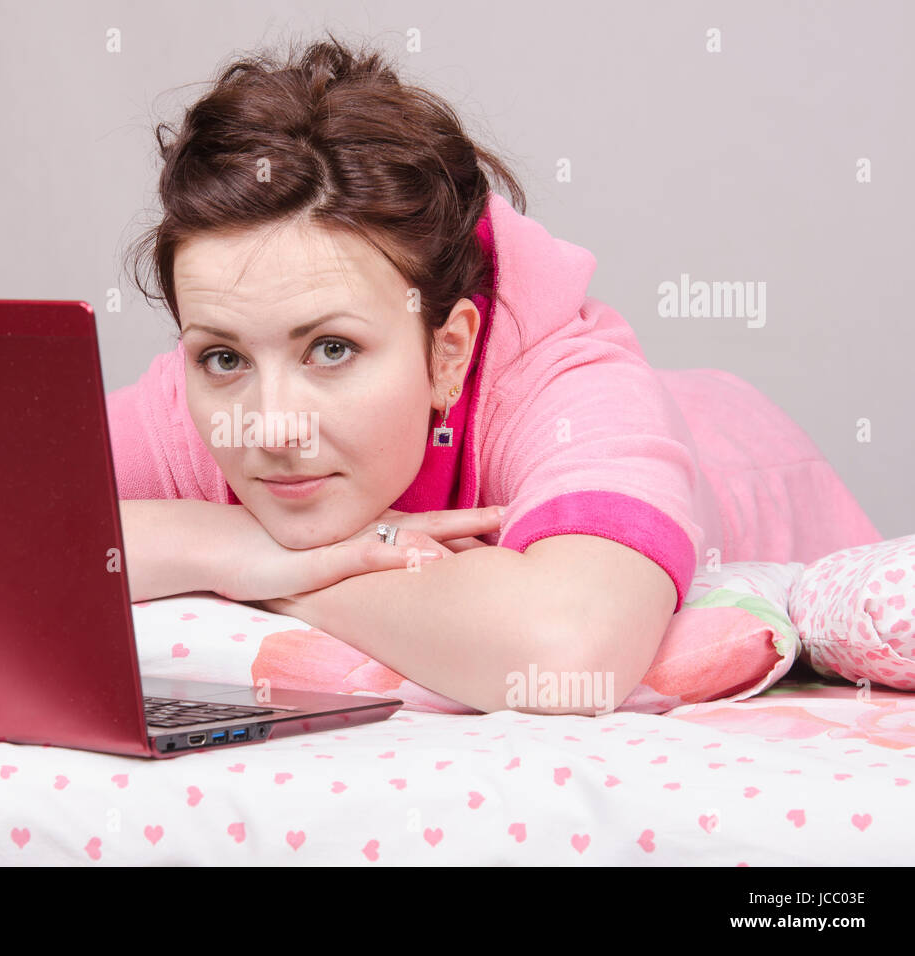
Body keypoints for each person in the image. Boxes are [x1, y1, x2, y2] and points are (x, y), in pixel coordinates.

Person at [104, 35, 882, 714]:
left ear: (449, 351)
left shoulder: (568, 386)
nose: (271, 425)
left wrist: (287, 572)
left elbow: (570, 648)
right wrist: (230, 546)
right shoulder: (202, 398)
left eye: (332, 349)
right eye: (223, 357)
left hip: (744, 450)